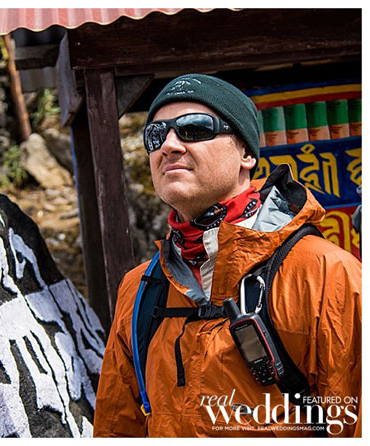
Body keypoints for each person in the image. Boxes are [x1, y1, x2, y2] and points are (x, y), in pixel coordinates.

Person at [93, 73, 361, 437]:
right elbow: (116, 431)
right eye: (156, 135)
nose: (169, 145)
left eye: (194, 128)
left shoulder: (326, 274)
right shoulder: (139, 290)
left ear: (246, 154)